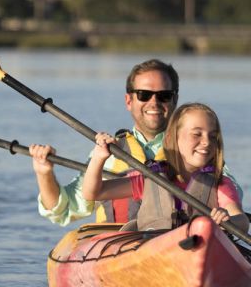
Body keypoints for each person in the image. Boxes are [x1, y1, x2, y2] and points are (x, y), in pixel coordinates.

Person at [29, 58, 241, 226]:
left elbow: (230, 194)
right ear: (129, 101)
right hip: (117, 252)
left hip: (186, 245)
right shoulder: (109, 153)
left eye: (164, 95)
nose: (154, 102)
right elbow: (63, 210)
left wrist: (228, 217)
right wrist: (44, 172)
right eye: (144, 94)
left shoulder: (197, 151)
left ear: (174, 100)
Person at [81, 102, 248, 233]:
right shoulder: (151, 179)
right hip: (154, 253)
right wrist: (98, 158)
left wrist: (228, 220)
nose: (207, 142)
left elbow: (241, 220)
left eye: (213, 136)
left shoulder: (220, 183)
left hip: (199, 250)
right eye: (197, 134)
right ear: (173, 138)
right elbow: (93, 193)